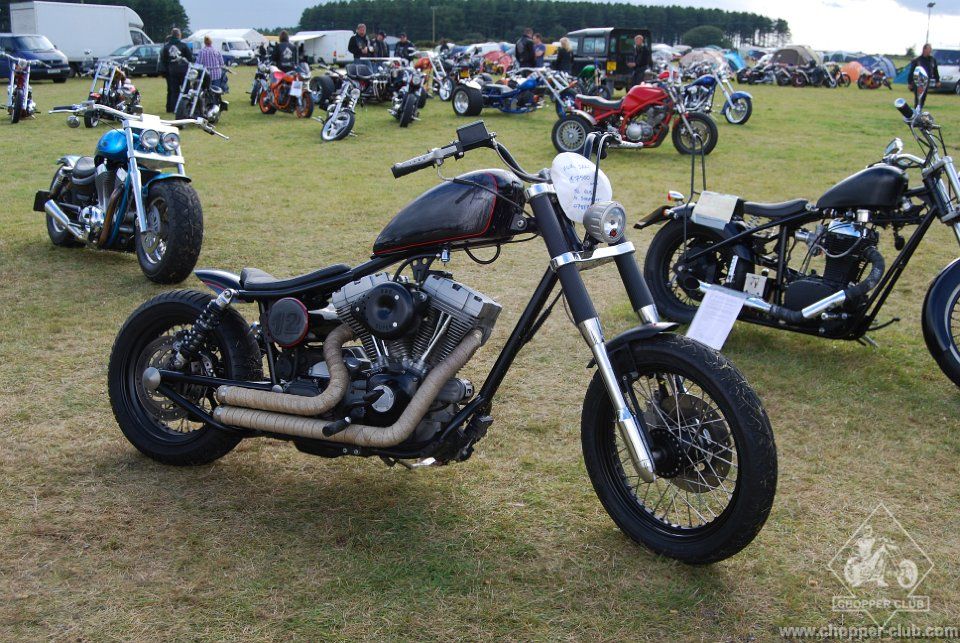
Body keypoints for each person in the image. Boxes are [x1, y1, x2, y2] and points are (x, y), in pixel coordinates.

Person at [160, 28, 192, 114]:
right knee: (186, 90)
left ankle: (172, 108)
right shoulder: (183, 45)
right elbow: (190, 58)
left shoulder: (166, 46)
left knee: (173, 91)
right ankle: (186, 107)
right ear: (179, 35)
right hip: (183, 71)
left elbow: (163, 60)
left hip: (171, 71)